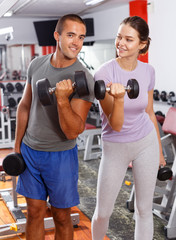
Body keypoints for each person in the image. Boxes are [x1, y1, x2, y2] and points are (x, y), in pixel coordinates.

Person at [14, 14, 94, 240]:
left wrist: (62, 100)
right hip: (30, 151)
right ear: (57, 36)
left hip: (60, 156)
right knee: (34, 213)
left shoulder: (84, 79)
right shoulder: (36, 64)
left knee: (61, 216)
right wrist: (17, 146)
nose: (76, 42)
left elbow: (72, 131)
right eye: (70, 35)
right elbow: (25, 106)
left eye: (81, 37)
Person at [91, 16, 166, 240]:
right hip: (115, 146)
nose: (121, 43)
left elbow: (150, 113)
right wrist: (119, 98)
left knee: (144, 210)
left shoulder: (148, 71)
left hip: (146, 143)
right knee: (103, 212)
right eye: (118, 37)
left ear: (142, 44)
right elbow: (115, 124)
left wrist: (160, 153)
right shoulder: (103, 75)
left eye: (128, 39)